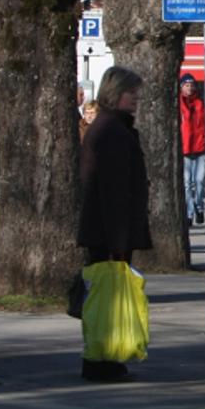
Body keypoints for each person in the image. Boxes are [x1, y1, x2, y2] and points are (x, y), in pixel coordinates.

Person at [78, 66, 152, 383]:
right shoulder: (112, 133)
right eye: (130, 94)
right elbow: (114, 191)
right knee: (108, 300)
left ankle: (107, 357)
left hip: (106, 230)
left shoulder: (110, 128)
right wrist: (118, 243)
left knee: (108, 298)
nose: (135, 99)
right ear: (115, 93)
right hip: (109, 233)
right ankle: (102, 360)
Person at [179, 73, 205, 227]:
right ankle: (190, 213)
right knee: (187, 183)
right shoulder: (178, 104)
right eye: (186, 85)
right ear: (181, 87)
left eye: (191, 85)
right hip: (185, 149)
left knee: (199, 181)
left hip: (200, 147)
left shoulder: (200, 103)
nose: (189, 88)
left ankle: (199, 206)